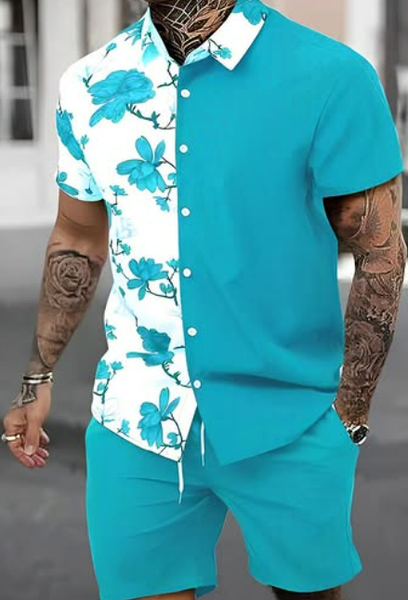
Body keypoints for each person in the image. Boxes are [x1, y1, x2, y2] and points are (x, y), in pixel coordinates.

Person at [2, 0, 406, 599]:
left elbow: (380, 252)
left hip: (290, 416)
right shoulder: (88, 84)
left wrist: (348, 418)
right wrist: (37, 377)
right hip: (135, 417)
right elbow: (78, 239)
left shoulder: (331, 76)